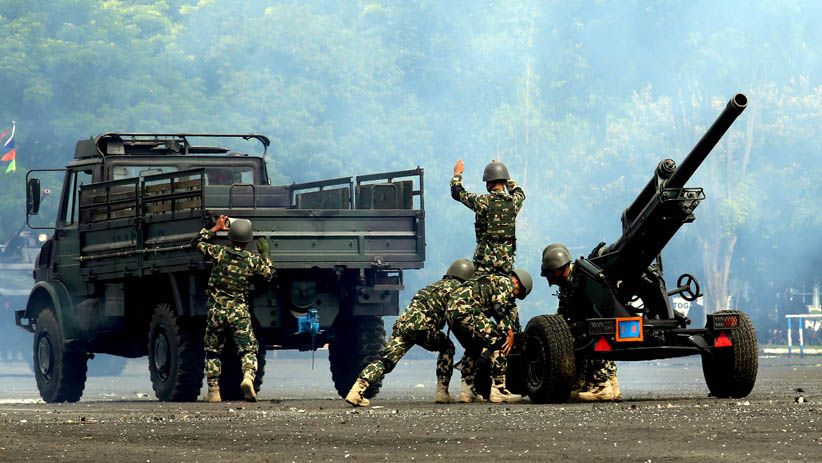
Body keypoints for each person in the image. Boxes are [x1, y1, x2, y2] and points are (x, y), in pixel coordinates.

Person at [345, 259, 476, 407]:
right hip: (424, 327)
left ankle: (357, 390)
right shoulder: (459, 291)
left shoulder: (433, 286)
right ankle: (442, 392)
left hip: (404, 324)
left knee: (385, 361)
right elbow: (458, 315)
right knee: (447, 347)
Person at [196, 215, 275, 402]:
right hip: (238, 311)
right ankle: (248, 378)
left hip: (217, 311)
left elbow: (199, 242)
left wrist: (215, 228)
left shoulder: (219, 253)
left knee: (213, 351)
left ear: (230, 237)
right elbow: (269, 274)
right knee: (248, 350)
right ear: (248, 241)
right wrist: (265, 254)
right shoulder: (251, 260)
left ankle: (214, 392)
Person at [541, 243, 620, 402]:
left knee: (588, 339)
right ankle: (607, 384)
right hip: (597, 320)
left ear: (556, 270)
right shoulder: (572, 279)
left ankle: (600, 387)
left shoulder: (581, 276)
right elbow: (565, 312)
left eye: (550, 274)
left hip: (597, 321)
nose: (550, 278)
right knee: (579, 336)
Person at [446, 268, 533, 404]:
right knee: (501, 340)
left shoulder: (492, 280)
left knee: (473, 347)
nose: (514, 297)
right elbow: (499, 307)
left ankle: (467, 391)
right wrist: (509, 333)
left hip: (451, 313)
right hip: (468, 310)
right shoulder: (506, 282)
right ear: (517, 283)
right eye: (517, 294)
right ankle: (499, 390)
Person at [451, 159, 525, 276]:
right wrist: (505, 176)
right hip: (506, 264)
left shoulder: (482, 201)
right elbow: (519, 192)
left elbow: (457, 192)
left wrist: (457, 174)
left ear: (490, 183)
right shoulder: (514, 202)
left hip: (484, 264)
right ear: (503, 181)